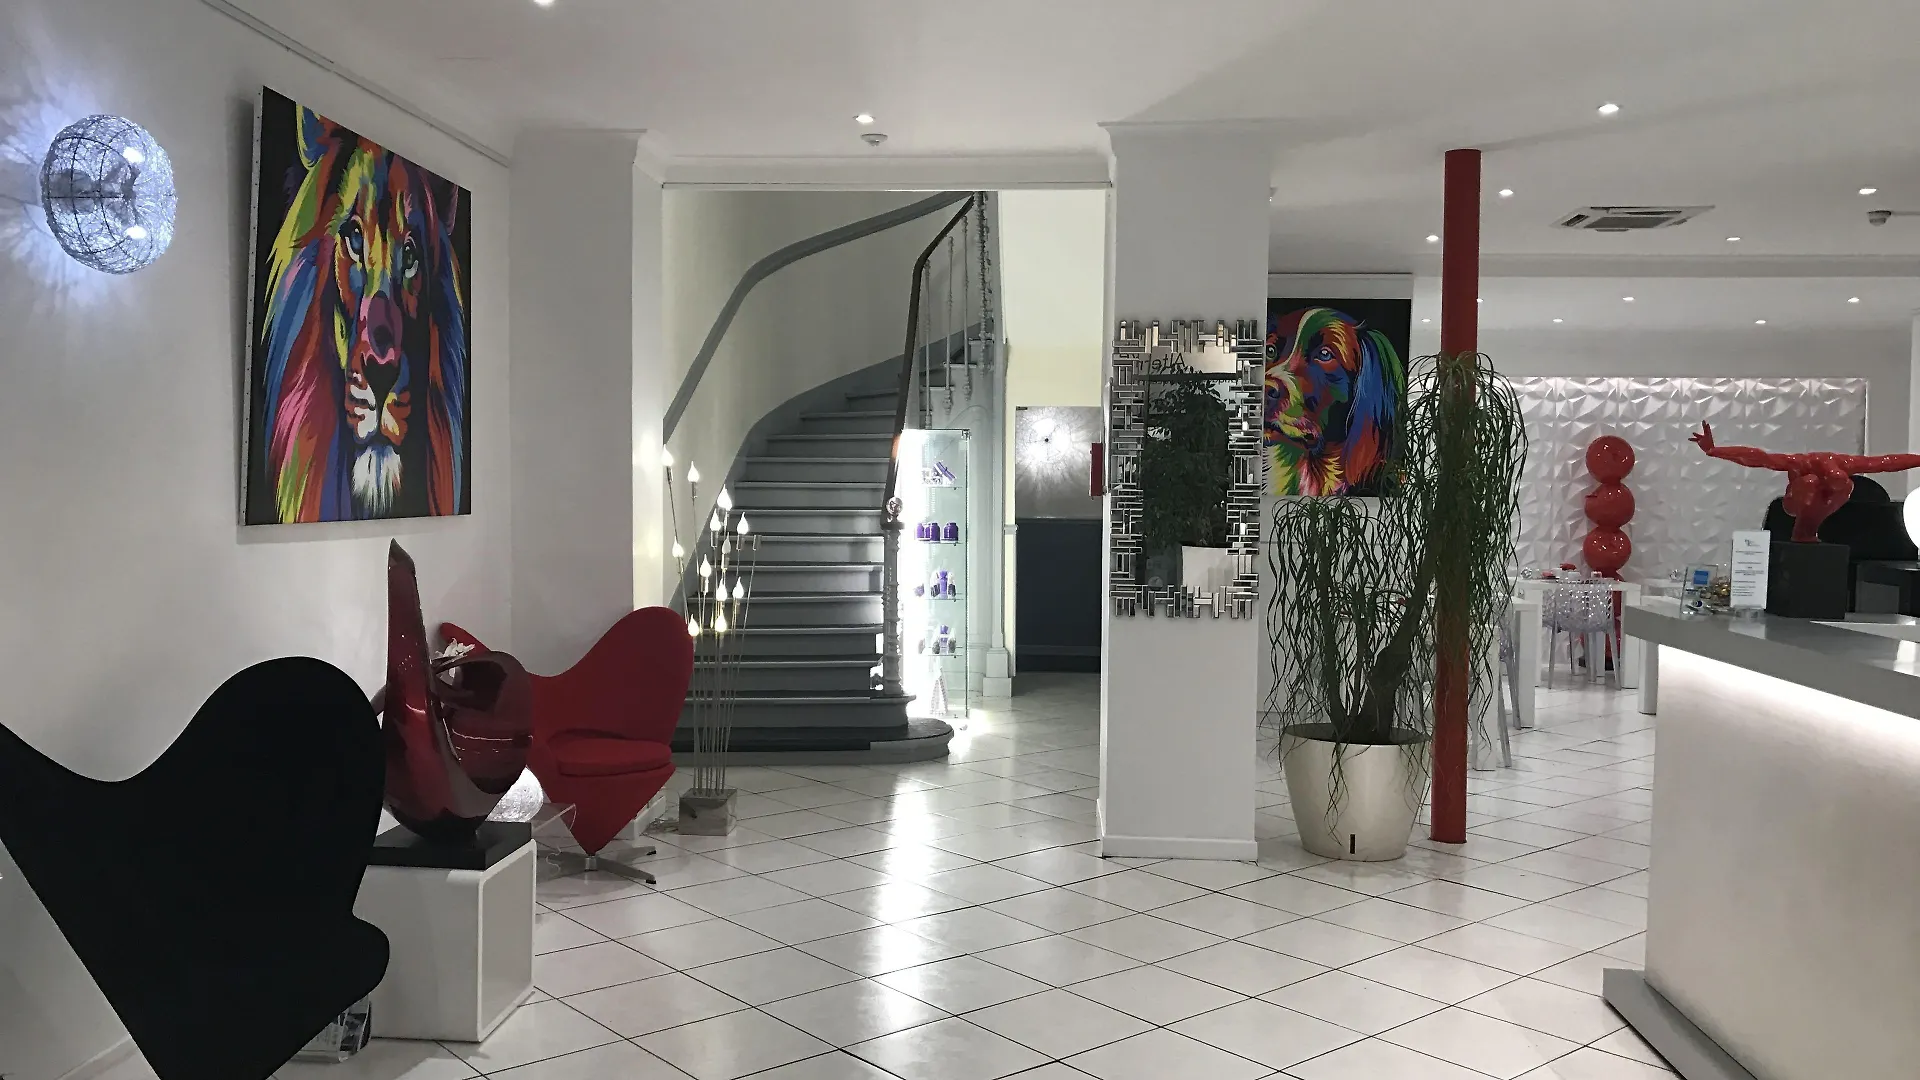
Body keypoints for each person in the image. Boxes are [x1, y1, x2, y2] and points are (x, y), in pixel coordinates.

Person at [1690, 422, 1920, 542]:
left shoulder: (1846, 465)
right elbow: (1757, 457)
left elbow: (1888, 462)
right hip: (1795, 502)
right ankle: (1803, 531)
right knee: (1810, 484)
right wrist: (1715, 451)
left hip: (1823, 503)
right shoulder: (1803, 464)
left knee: (1845, 487)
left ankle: (1808, 532)